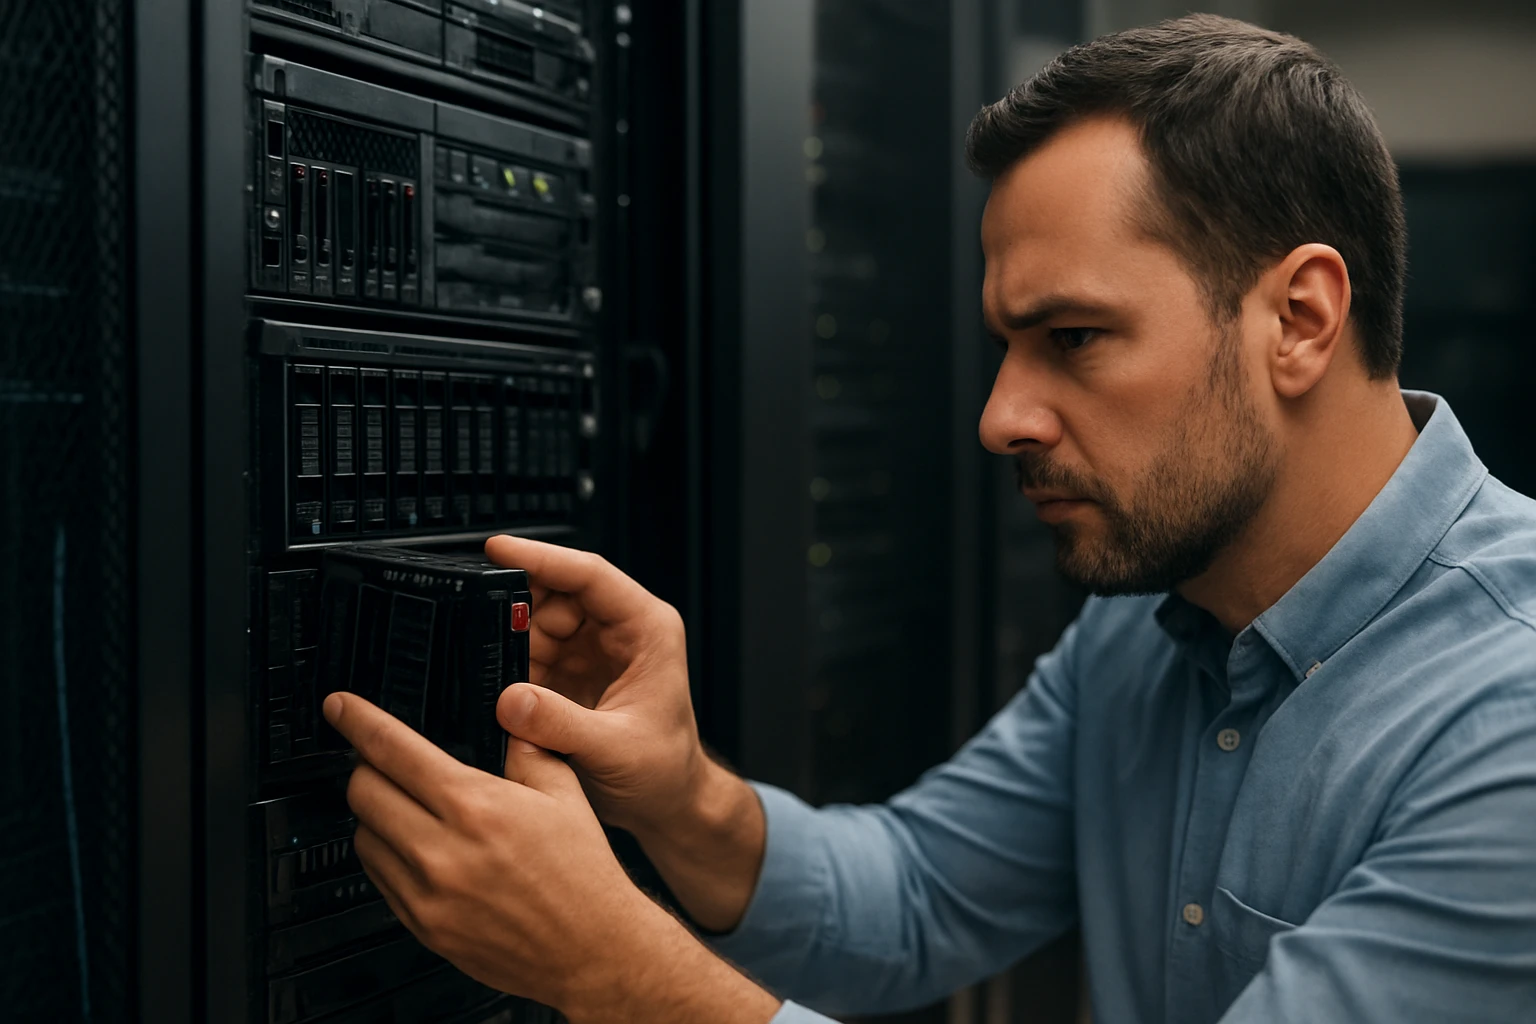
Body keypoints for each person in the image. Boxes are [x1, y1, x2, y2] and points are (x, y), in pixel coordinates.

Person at [322, 14, 1536, 1024]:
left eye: (1073, 339)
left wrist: (619, 975)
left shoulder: (1506, 719)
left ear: (1302, 319)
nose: (1002, 416)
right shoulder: (1158, 626)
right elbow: (913, 898)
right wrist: (679, 792)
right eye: (1006, 349)